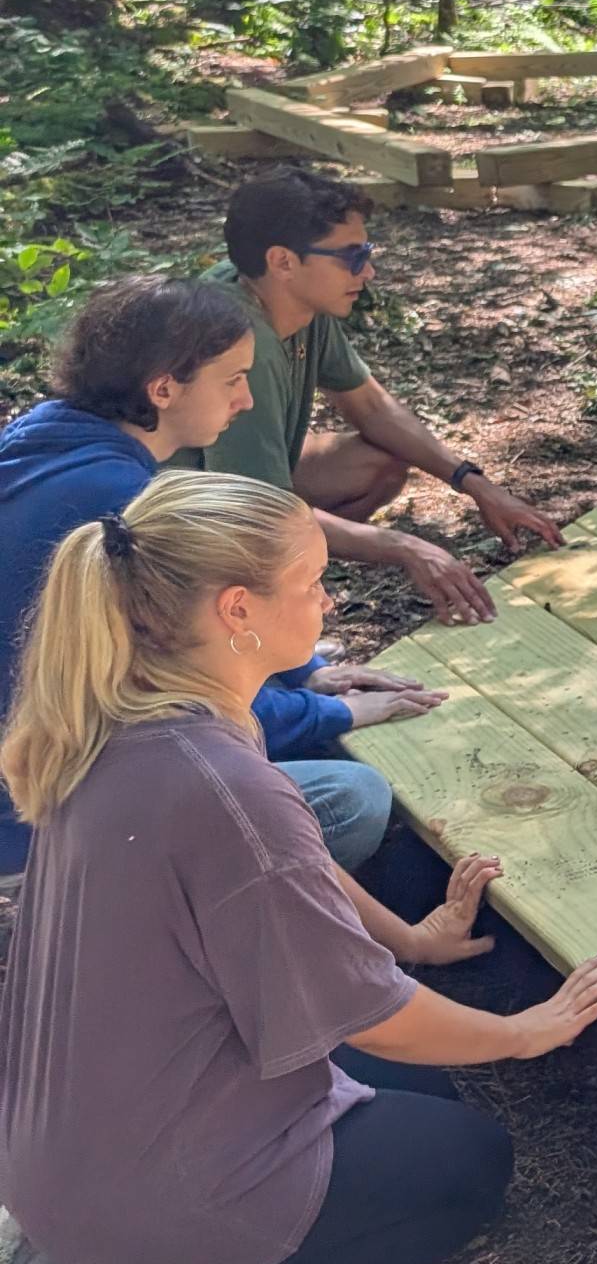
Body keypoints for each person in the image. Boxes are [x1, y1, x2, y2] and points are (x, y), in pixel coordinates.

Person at [0, 471, 597, 1264]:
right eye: (312, 582)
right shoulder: (220, 781)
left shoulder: (128, 716)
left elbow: (282, 871)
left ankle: (86, 1240)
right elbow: (368, 1016)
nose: (329, 599)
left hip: (65, 1148)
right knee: (467, 1164)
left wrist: (409, 941)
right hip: (153, 1183)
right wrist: (527, 1031)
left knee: (420, 1088)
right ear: (239, 609)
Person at [0, 275, 443, 879]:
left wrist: (310, 673)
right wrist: (339, 713)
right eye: (232, 380)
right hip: (41, 814)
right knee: (350, 798)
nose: (246, 401)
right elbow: (199, 704)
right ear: (163, 389)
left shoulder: (47, 434)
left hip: (48, 764)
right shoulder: (130, 510)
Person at [183, 170, 566, 627]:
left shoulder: (288, 298)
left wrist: (476, 484)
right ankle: (259, 615)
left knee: (378, 465)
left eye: (366, 252)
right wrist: (405, 548)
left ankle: (291, 588)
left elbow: (369, 405)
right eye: (352, 256)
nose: (368, 270)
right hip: (178, 518)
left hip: (237, 490)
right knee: (270, 531)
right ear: (284, 261)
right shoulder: (242, 340)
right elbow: (261, 512)